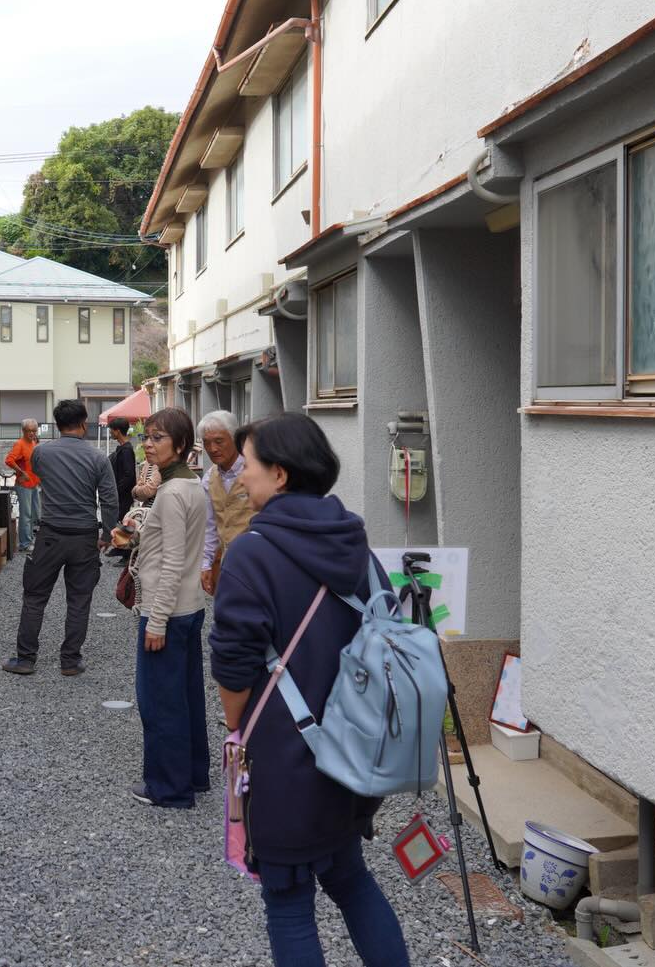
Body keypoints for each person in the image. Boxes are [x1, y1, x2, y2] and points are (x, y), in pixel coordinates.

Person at [208, 414, 410, 967]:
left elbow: (232, 667)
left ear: (279, 474)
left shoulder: (252, 553)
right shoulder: (356, 545)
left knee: (289, 901)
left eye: (246, 466)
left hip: (284, 757)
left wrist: (235, 726)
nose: (239, 477)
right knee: (351, 880)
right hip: (353, 755)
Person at [127, 407, 210, 808]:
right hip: (189, 608)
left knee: (161, 701)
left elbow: (174, 560)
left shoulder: (174, 492)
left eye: (158, 437)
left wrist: (155, 621)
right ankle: (194, 775)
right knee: (188, 696)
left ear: (180, 445)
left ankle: (169, 788)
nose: (148, 444)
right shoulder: (190, 485)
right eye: (147, 436)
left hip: (168, 612)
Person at [2, 399, 118, 678]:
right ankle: (70, 660)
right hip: (84, 536)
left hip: (50, 534)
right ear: (83, 423)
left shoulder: (42, 453)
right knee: (79, 599)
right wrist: (106, 534)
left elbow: (39, 475)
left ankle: (26, 658)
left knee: (35, 596)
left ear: (57, 424)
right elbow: (110, 500)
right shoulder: (98, 458)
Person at [197, 410, 254, 596]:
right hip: (225, 566)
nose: (212, 448)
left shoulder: (255, 470)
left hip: (256, 563)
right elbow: (210, 526)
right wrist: (205, 564)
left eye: (219, 441)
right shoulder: (209, 478)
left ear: (235, 438)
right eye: (206, 442)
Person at [4, 419, 42, 552]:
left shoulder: (33, 442)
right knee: (26, 515)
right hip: (24, 484)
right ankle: (25, 544)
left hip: (34, 483)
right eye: (29, 431)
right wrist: (21, 472)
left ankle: (29, 539)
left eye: (34, 430)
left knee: (34, 514)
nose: (31, 433)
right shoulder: (19, 444)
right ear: (23, 431)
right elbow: (9, 460)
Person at [106, 417, 138, 565]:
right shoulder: (124, 448)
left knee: (124, 523)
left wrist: (116, 490)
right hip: (122, 492)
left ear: (117, 431)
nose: (110, 432)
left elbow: (129, 474)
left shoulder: (126, 450)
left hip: (123, 493)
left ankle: (127, 555)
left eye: (111, 430)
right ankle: (119, 548)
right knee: (120, 521)